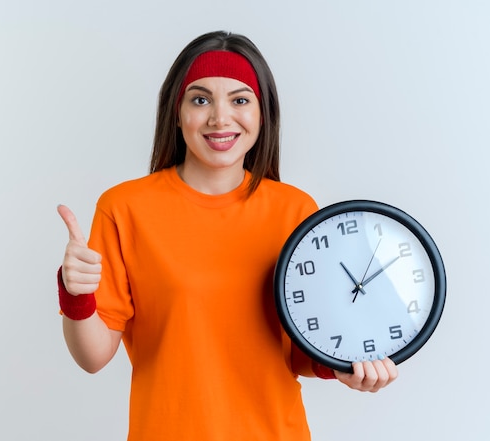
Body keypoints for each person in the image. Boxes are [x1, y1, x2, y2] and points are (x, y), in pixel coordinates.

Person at [56, 30, 398, 441]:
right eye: (200, 100)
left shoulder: (296, 212)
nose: (220, 118)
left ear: (262, 113)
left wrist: (350, 369)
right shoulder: (125, 208)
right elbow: (93, 357)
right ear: (176, 112)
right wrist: (76, 293)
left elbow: (309, 351)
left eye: (240, 100)